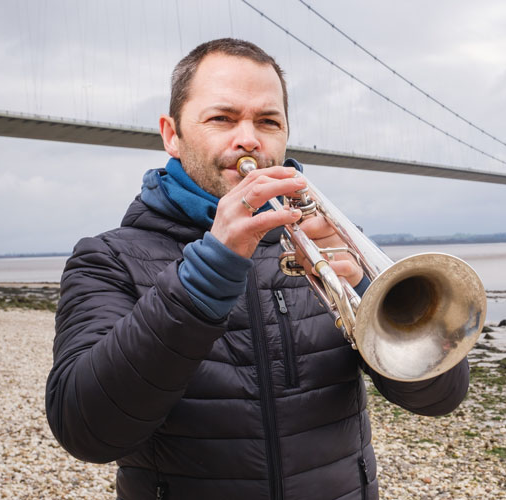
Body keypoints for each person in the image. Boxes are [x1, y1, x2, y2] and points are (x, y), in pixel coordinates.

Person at [45, 38, 469, 500]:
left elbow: (439, 397)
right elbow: (85, 430)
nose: (248, 138)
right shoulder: (107, 259)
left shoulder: (334, 247)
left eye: (267, 121)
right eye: (222, 118)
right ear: (172, 134)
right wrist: (205, 276)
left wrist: (368, 290)